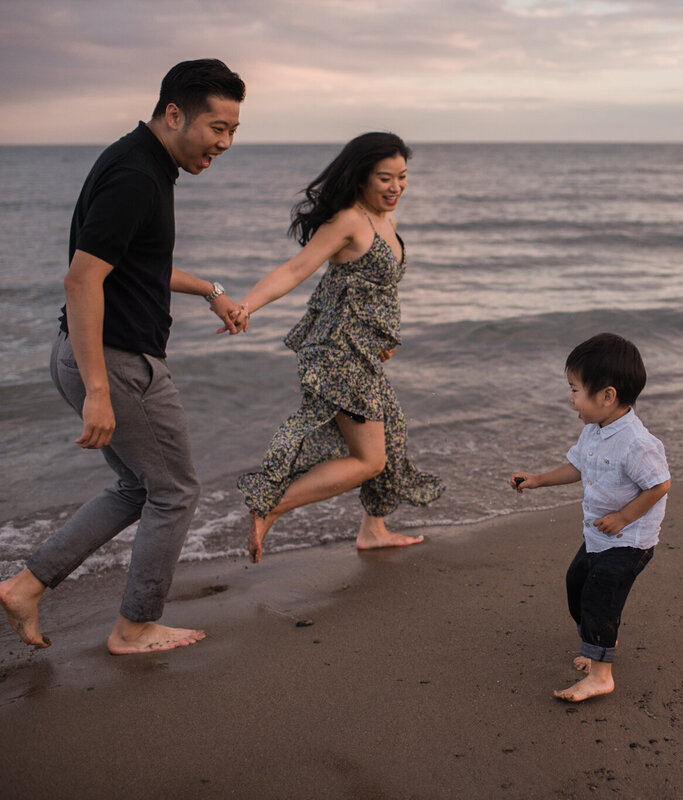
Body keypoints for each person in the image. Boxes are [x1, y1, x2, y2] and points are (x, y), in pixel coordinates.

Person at [0, 59, 246, 655]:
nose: (225, 143)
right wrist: (100, 391)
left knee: (140, 488)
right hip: (115, 361)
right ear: (173, 113)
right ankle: (135, 626)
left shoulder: (142, 163)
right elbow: (82, 281)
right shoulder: (137, 174)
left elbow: (136, 264)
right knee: (175, 491)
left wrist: (211, 292)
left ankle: (27, 585)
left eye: (234, 130)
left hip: (93, 355)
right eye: (217, 127)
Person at [234, 132, 443, 563]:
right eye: (385, 178)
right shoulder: (349, 220)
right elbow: (295, 270)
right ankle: (271, 505)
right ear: (361, 177)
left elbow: (377, 290)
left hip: (362, 353)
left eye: (402, 177)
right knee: (370, 460)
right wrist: (246, 306)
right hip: (337, 355)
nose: (395, 187)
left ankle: (373, 530)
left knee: (394, 436)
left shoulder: (388, 221)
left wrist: (383, 337)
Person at [509, 333, 670, 702]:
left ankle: (601, 674)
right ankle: (599, 640)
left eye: (575, 389)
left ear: (607, 395)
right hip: (599, 537)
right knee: (576, 586)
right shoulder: (593, 432)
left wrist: (624, 517)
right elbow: (576, 467)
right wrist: (536, 480)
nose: (570, 398)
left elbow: (660, 485)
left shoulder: (636, 442)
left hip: (629, 541)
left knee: (600, 598)